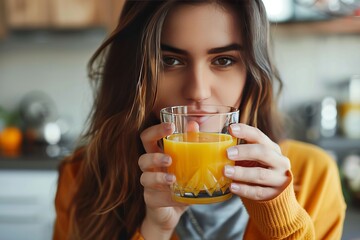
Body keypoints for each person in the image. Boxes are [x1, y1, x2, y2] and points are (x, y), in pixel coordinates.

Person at [53, 1, 346, 239]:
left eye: (223, 60)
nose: (198, 91)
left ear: (253, 75)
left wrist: (280, 220)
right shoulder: (82, 176)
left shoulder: (312, 175)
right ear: (135, 73)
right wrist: (155, 229)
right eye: (171, 61)